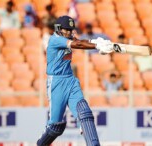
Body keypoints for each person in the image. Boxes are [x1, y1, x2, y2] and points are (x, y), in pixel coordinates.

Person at [36, 15, 116, 146]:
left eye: (70, 29)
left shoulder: (68, 37)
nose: (69, 32)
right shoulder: (55, 39)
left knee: (85, 113)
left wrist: (97, 43)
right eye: (66, 29)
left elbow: (80, 41)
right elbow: (78, 44)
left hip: (70, 80)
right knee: (55, 127)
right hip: (56, 82)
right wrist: (96, 46)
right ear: (58, 29)